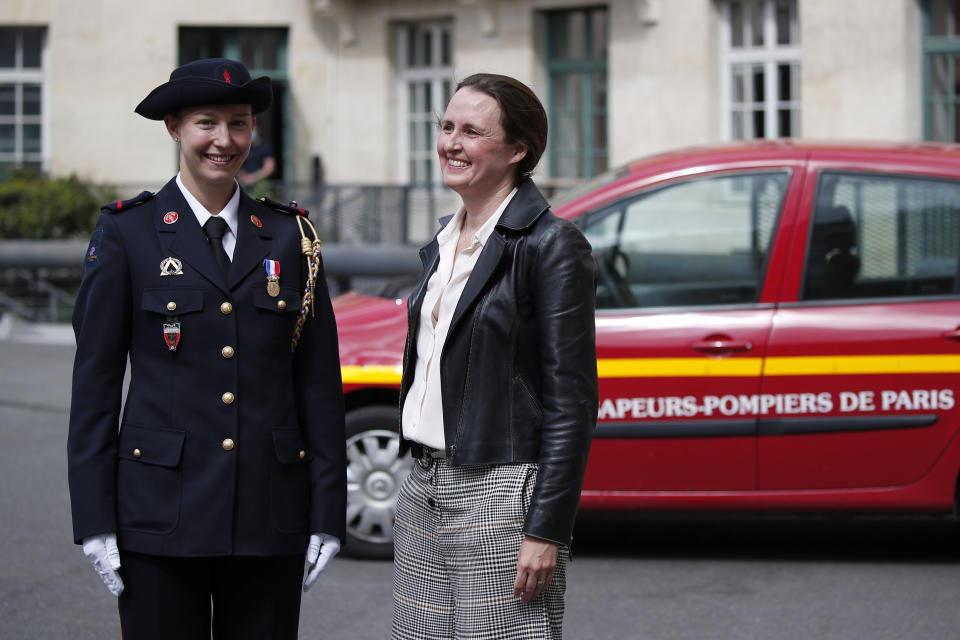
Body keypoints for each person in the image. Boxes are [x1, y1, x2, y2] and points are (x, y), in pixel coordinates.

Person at [67, 58, 346, 639]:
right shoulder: (129, 233)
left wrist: (327, 512)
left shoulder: (292, 237)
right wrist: (95, 520)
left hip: (269, 514)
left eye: (239, 124)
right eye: (206, 123)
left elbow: (316, 386)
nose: (225, 141)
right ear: (174, 128)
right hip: (158, 515)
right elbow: (94, 388)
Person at [392, 73, 598, 639]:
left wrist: (546, 529)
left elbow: (572, 401)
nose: (451, 144)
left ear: (517, 150)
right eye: (447, 127)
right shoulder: (443, 238)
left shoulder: (551, 245)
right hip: (422, 487)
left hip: (502, 495)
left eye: (473, 132)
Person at [238, 123, 276, 188]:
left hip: (260, 185)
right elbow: (237, 164)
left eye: (253, 130)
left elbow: (269, 168)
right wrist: (243, 177)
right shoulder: (243, 148)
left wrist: (253, 178)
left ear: (258, 130)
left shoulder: (265, 147)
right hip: (244, 185)